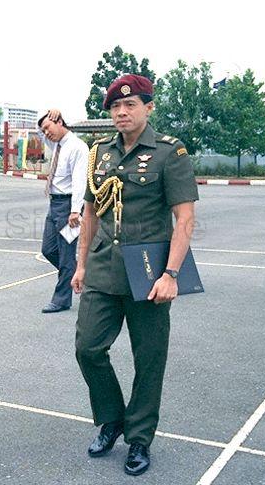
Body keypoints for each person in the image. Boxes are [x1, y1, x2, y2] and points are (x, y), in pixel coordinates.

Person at [70, 75, 199, 476]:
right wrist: (81, 265)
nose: (122, 113)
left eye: (131, 106)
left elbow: (185, 218)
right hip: (104, 269)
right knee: (88, 348)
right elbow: (91, 213)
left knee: (149, 359)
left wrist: (172, 273)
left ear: (148, 107)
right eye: (115, 107)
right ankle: (111, 418)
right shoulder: (100, 153)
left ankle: (139, 438)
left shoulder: (168, 153)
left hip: (148, 275)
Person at [36, 110, 88, 313]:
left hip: (68, 207)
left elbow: (80, 180)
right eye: (44, 130)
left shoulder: (77, 147)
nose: (46, 133)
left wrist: (76, 210)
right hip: (54, 204)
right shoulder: (56, 144)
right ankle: (77, 274)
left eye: (48, 128)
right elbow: (38, 132)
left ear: (59, 122)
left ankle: (61, 299)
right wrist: (47, 112)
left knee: (66, 255)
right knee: (48, 249)